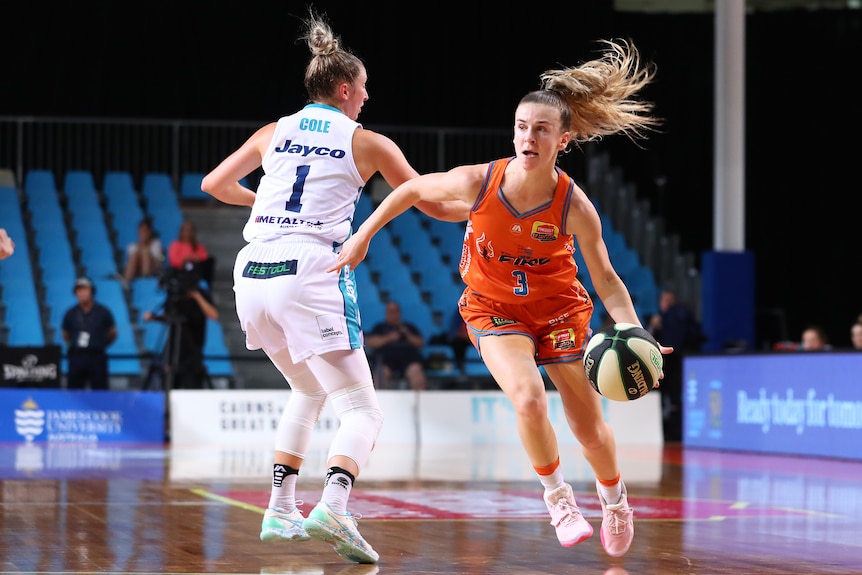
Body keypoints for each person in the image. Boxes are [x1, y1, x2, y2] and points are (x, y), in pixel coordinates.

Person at [330, 39, 672, 558]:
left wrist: (633, 330)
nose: (527, 137)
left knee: (589, 428)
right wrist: (365, 233)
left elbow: (606, 279)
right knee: (529, 399)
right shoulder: (481, 181)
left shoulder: (573, 204)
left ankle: (615, 499)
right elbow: (412, 190)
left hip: (559, 311)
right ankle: (558, 498)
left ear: (564, 138)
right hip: (493, 310)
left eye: (540, 129)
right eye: (520, 126)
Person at [198, 9, 464, 564]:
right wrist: (483, 205)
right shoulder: (366, 141)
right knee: (363, 412)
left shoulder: (274, 131)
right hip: (310, 269)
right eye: (363, 89)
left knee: (311, 390)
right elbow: (428, 201)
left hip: (253, 270)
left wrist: (265, 207)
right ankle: (336, 505)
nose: (367, 97)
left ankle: (279, 507)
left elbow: (214, 183)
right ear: (345, 89)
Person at [142, 267, 219, 389]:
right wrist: (154, 318)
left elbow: (213, 314)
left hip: (193, 353)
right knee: (168, 387)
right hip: (173, 350)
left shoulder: (202, 294)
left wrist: (196, 296)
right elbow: (169, 316)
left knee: (192, 390)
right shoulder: (174, 296)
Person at [647, 289, 704, 442]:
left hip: (677, 366)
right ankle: (665, 431)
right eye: (665, 300)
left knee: (676, 400)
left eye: (670, 300)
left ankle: (675, 433)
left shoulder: (678, 316)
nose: (668, 304)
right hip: (662, 367)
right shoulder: (658, 321)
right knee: (663, 398)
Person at [61, 277, 118, 390]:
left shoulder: (103, 311)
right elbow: (65, 334)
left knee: (100, 391)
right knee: (74, 392)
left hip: (97, 356)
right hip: (77, 356)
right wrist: (71, 346)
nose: (81, 293)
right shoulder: (70, 313)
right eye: (78, 291)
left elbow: (113, 333)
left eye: (84, 290)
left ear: (91, 291)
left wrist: (102, 344)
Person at [365, 300, 427, 390]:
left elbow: (420, 343)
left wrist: (407, 335)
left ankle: (420, 403)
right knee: (381, 374)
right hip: (386, 359)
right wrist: (389, 338)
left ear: (399, 313)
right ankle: (380, 402)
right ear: (386, 313)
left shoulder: (409, 327)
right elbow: (371, 343)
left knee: (416, 371)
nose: (393, 314)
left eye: (395, 311)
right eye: (390, 311)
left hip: (408, 358)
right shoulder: (379, 327)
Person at [123, 218, 164, 284]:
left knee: (146, 252)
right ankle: (126, 283)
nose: (143, 233)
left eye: (145, 230)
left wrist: (146, 249)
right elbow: (129, 261)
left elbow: (161, 259)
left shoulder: (156, 244)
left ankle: (145, 281)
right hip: (137, 270)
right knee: (134, 255)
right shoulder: (131, 246)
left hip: (154, 268)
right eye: (141, 230)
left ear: (149, 232)